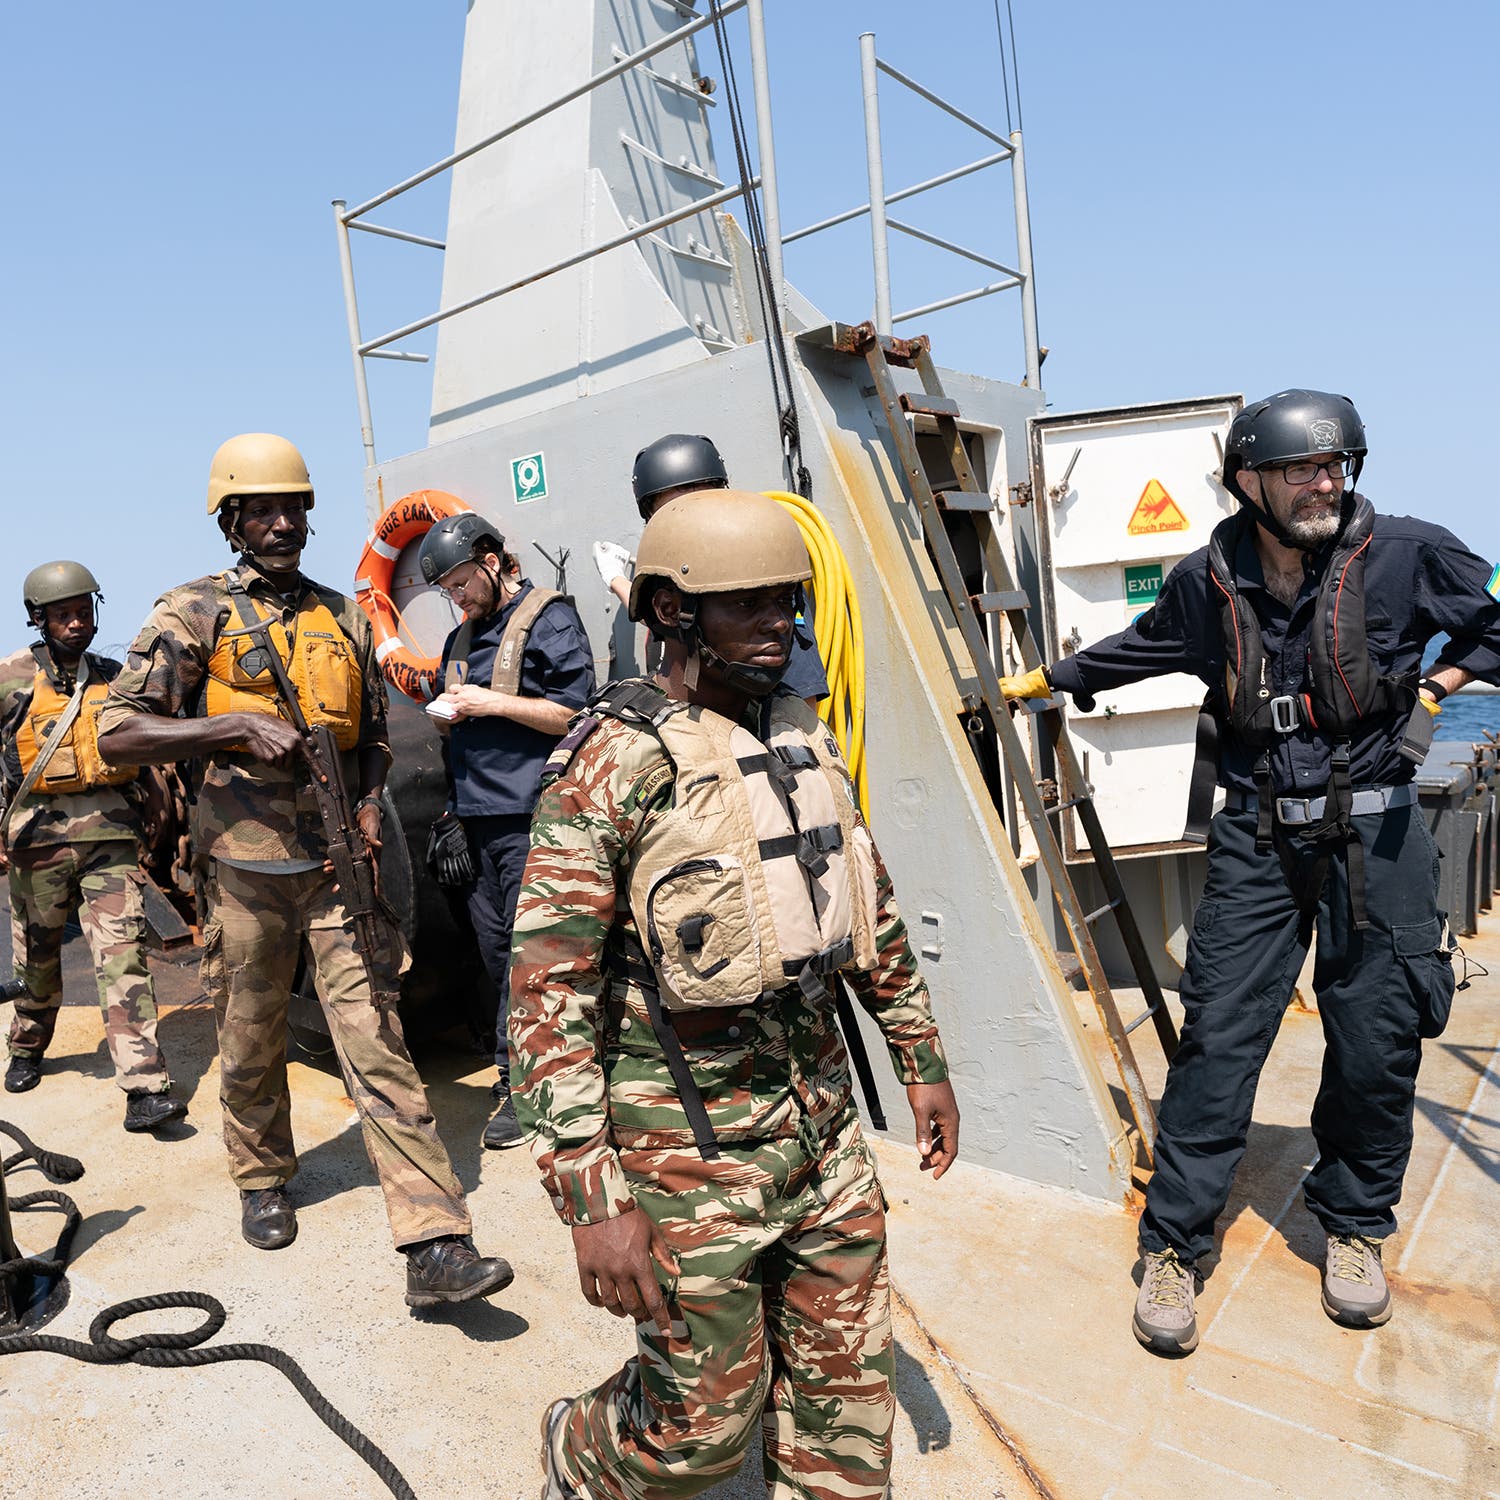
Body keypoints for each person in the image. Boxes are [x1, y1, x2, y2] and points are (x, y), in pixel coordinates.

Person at [1000, 389, 1500, 1356]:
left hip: (1381, 839)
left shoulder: (1407, 553)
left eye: (1337, 466)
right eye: (1305, 469)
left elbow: (1495, 626)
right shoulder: (1208, 576)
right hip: (1259, 839)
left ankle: (1355, 1230)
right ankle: (1175, 1245)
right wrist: (1052, 680)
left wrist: (1437, 688)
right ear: (1250, 480)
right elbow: (1144, 650)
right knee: (1218, 1040)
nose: (1326, 484)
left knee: (1378, 1042)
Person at [510, 490, 960, 1499]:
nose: (780, 627)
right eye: (748, 605)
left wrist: (920, 1061)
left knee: (846, 1412)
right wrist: (593, 1201)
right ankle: (580, 1445)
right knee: (701, 1435)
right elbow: (547, 994)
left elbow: (866, 905)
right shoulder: (613, 762)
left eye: (787, 603)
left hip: (820, 1123)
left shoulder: (797, 737)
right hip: (687, 1145)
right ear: (673, 611)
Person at [96, 432, 512, 1308]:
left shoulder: (343, 616)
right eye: (263, 510)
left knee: (377, 1038)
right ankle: (261, 1177)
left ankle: (434, 1240)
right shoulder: (192, 613)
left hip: (335, 873)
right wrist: (227, 728)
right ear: (232, 520)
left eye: (294, 508)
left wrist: (367, 804)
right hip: (241, 876)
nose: (283, 523)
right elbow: (120, 732)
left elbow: (366, 740)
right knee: (250, 1039)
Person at [415, 512, 595, 1150]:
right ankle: (530, 1077)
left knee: (533, 961)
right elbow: (454, 725)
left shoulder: (549, 618)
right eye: (447, 592)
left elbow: (576, 711)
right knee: (496, 957)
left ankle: (517, 1089)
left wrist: (491, 703)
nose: (457, 599)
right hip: (475, 821)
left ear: (491, 561)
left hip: (532, 821)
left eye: (462, 583)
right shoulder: (458, 642)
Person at [0, 561, 187, 1132]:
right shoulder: (9, 680)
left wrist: (158, 810)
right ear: (39, 620)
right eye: (64, 615)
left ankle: (144, 1085)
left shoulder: (114, 678)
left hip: (109, 837)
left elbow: (144, 750)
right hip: (37, 841)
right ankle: (29, 1040)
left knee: (122, 955)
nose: (77, 623)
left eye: (84, 611)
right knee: (38, 957)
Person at [591, 432, 830, 704]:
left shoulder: (766, 584)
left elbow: (803, 705)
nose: (695, 519)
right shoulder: (672, 586)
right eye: (677, 510)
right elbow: (680, 616)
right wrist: (618, 581)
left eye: (703, 502)